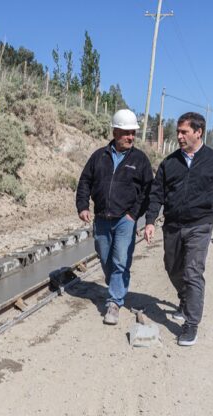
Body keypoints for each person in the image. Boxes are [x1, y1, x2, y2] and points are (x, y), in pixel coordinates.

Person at [144, 112, 213, 347]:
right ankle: (185, 299)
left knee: (192, 272)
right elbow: (157, 194)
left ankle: (190, 323)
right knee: (172, 267)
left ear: (198, 132)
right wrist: (149, 220)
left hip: (200, 224)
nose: (179, 136)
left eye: (184, 132)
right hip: (173, 225)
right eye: (178, 131)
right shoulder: (170, 162)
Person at [76, 109, 153, 325]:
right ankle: (116, 287)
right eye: (126, 132)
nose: (131, 137)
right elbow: (84, 182)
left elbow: (149, 190)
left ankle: (114, 303)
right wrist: (82, 206)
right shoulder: (99, 156)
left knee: (120, 260)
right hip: (101, 217)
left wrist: (133, 215)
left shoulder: (140, 160)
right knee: (104, 256)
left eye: (133, 133)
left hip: (124, 220)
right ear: (115, 131)